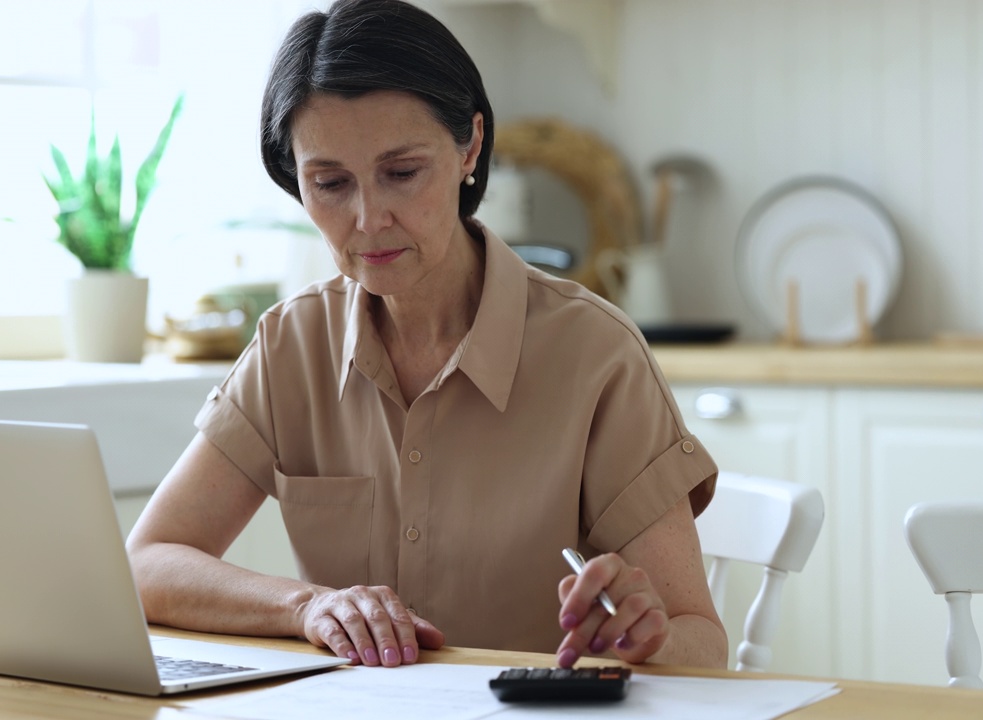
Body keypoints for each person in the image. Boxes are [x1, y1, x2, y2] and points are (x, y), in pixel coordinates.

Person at [126, 0, 727, 671]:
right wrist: (306, 606)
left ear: (469, 146)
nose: (367, 219)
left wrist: (648, 640)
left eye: (402, 173)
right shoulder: (291, 345)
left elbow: (701, 641)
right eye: (329, 183)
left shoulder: (596, 355)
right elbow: (147, 563)